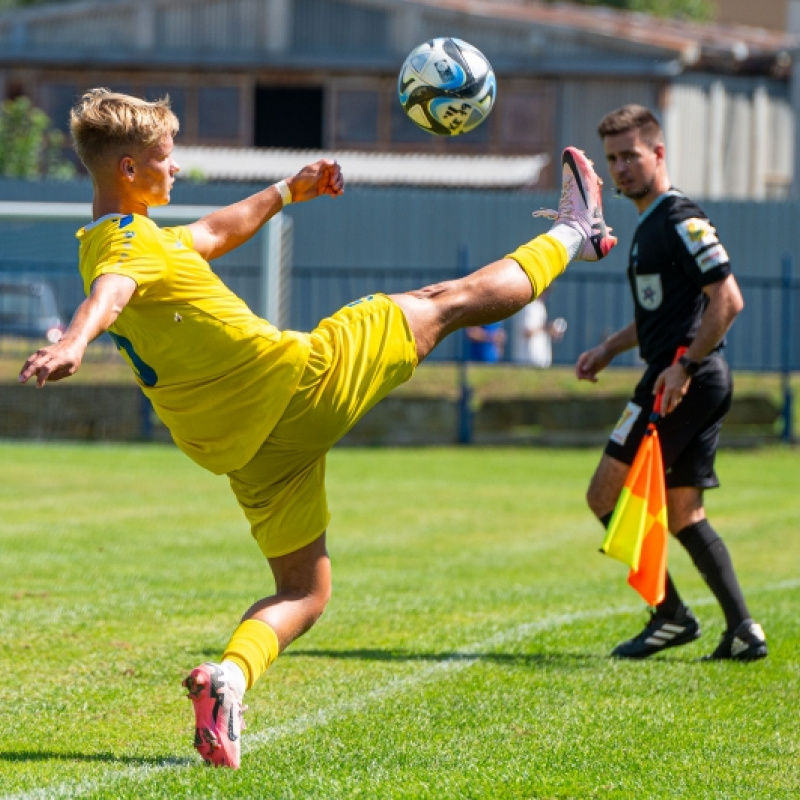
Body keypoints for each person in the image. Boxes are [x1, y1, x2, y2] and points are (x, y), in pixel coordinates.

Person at [18, 88, 616, 769]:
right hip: (297, 386)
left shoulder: (124, 238)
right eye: (165, 156)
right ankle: (578, 230)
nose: (176, 167)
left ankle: (229, 681)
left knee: (305, 592)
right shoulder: (126, 247)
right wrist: (73, 341)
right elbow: (112, 292)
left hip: (244, 450)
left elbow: (212, 234)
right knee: (443, 303)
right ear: (128, 168)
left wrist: (286, 190)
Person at [576, 104, 767, 662]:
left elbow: (727, 300)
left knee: (602, 494)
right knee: (684, 513)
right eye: (612, 159)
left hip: (683, 380)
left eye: (631, 156)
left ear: (658, 153)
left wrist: (682, 365)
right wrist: (609, 349)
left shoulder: (681, 219)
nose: (621, 169)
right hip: (689, 378)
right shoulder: (650, 226)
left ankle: (670, 615)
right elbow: (660, 314)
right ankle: (742, 630)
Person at [521, 287, 566, 368]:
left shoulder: (540, 306)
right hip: (529, 358)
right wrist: (548, 327)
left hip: (541, 357)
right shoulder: (529, 306)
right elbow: (527, 332)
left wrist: (551, 331)